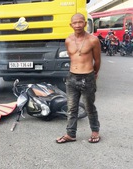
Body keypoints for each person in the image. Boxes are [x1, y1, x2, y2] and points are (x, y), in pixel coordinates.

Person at [56, 13, 101, 144]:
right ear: (71, 25)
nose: (77, 25)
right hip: (71, 78)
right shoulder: (68, 40)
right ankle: (70, 134)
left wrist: (94, 74)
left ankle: (95, 131)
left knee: (89, 107)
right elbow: (72, 59)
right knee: (71, 108)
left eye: (80, 22)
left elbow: (97, 60)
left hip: (87, 77)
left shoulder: (93, 40)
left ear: (85, 23)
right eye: (74, 23)